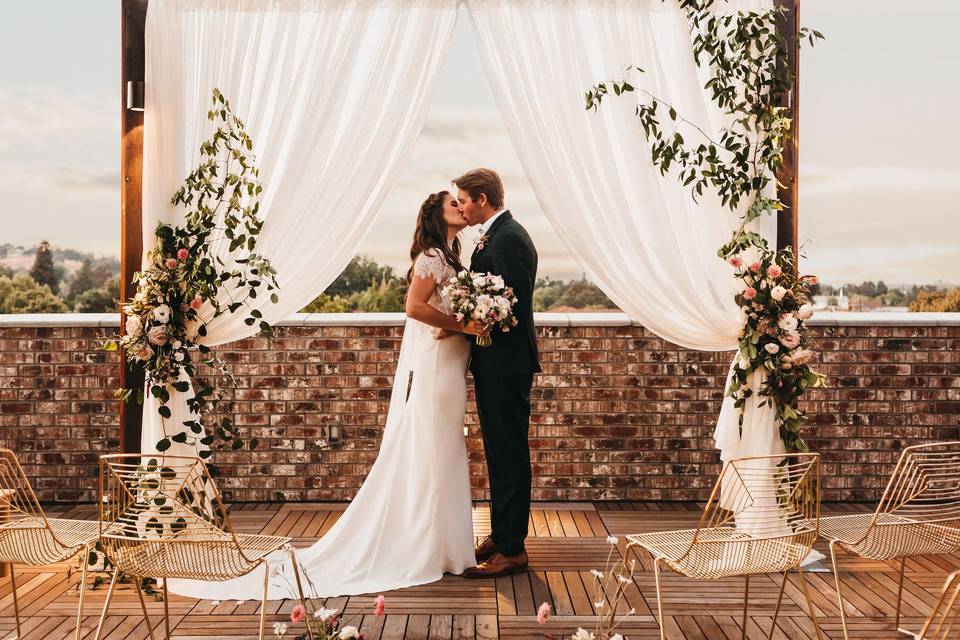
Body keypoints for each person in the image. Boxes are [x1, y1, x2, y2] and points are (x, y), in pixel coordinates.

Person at [167, 191, 488, 599]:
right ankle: (428, 546)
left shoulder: (453, 252)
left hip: (450, 363)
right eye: (453, 205)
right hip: (438, 366)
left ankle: (446, 547)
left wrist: (464, 318)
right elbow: (414, 307)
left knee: (445, 449)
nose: (461, 209)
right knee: (436, 448)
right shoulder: (431, 255)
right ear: (435, 215)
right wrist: (461, 323)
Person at [454, 168, 541, 579]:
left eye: (465, 200)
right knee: (498, 453)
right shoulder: (497, 234)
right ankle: (503, 534)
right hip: (495, 365)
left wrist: (481, 315)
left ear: (483, 199)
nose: (462, 207)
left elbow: (515, 306)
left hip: (507, 366)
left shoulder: (509, 239)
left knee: (508, 456)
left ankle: (513, 549)